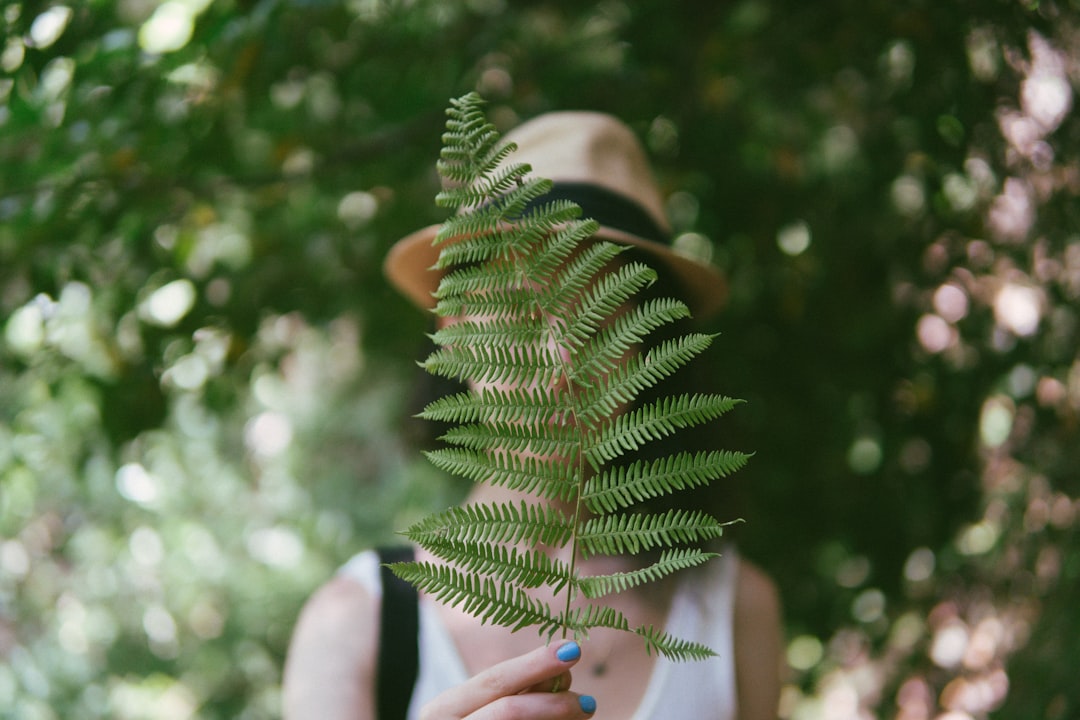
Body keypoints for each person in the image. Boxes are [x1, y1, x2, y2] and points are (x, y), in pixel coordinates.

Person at [283, 110, 783, 720]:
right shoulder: (355, 621)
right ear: (456, 329)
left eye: (599, 323)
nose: (560, 361)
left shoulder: (735, 612)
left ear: (650, 350)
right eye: (521, 313)